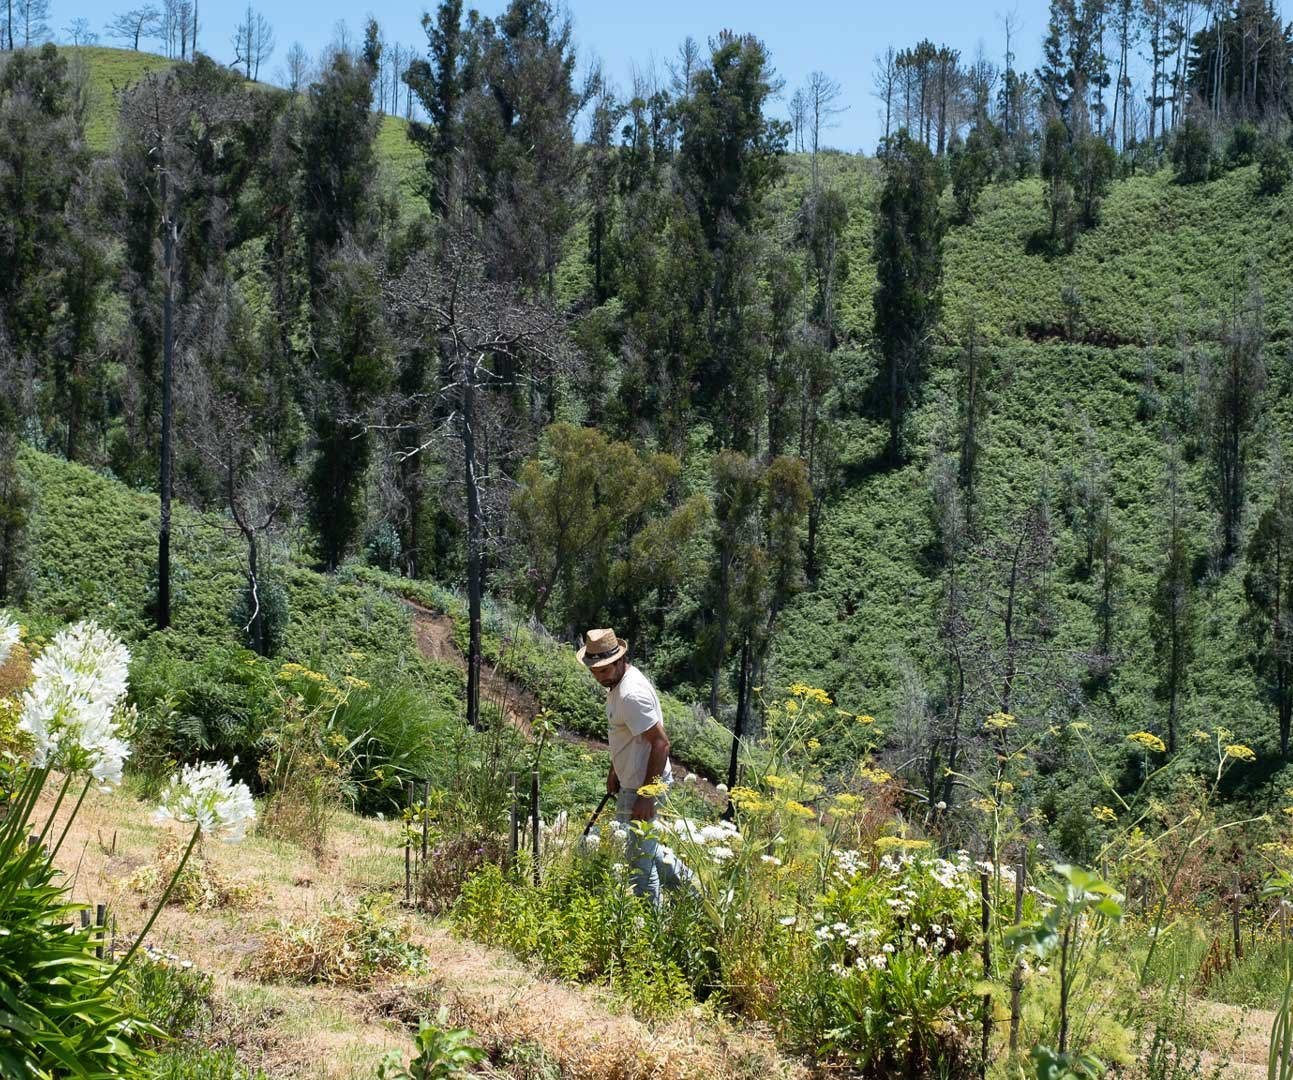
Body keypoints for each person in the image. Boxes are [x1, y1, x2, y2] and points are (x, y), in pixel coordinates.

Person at [577, 626, 692, 904]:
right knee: (648, 852)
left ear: (620, 660)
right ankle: (697, 900)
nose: (599, 677)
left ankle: (651, 925)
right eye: (594, 671)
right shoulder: (618, 684)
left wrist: (646, 795)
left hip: (642, 785)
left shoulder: (630, 695)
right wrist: (615, 769)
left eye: (604, 670)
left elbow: (661, 744)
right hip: (633, 781)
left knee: (638, 864)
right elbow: (629, 735)